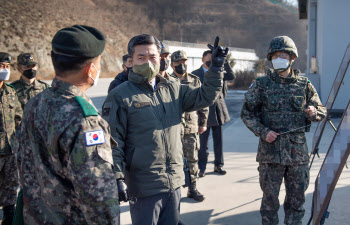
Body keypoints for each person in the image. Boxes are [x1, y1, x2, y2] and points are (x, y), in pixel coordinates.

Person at [102, 35, 228, 225]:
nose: (148, 62)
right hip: (144, 185)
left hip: (174, 182)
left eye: (152, 57)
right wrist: (117, 178)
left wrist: (216, 69)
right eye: (141, 58)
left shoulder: (173, 88)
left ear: (160, 58)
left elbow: (204, 96)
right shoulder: (119, 95)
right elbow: (113, 142)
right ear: (131, 60)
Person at [18, 25, 120, 224]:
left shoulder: (35, 103)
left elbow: (25, 166)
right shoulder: (85, 121)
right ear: (90, 69)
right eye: (98, 63)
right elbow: (98, 197)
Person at [241, 36, 326, 225]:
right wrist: (263, 132)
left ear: (292, 58)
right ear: (271, 58)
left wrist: (314, 112)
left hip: (297, 156)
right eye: (276, 55)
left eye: (283, 55)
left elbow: (321, 110)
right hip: (270, 155)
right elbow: (247, 114)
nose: (279, 58)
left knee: (296, 202)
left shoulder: (304, 85)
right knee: (269, 203)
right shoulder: (262, 85)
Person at [170, 50, 208, 202]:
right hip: (173, 127)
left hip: (191, 126)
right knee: (173, 160)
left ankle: (193, 188)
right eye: (178, 62)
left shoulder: (195, 80)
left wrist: (203, 122)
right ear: (172, 64)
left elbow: (203, 102)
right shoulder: (166, 80)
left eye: (184, 61)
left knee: (192, 159)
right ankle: (174, 191)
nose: (182, 64)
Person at [192, 50, 235, 177]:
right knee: (202, 143)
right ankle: (202, 167)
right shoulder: (195, 74)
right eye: (209, 59)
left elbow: (231, 76)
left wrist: (224, 61)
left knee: (218, 141)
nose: (211, 61)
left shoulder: (219, 72)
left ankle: (218, 165)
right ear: (202, 60)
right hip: (203, 113)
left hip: (218, 112)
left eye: (213, 58)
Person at [0, 52, 22, 225]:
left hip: (11, 150)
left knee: (10, 191)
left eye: (7, 67)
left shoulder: (10, 92)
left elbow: (18, 119)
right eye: (1, 66)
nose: (5, 70)